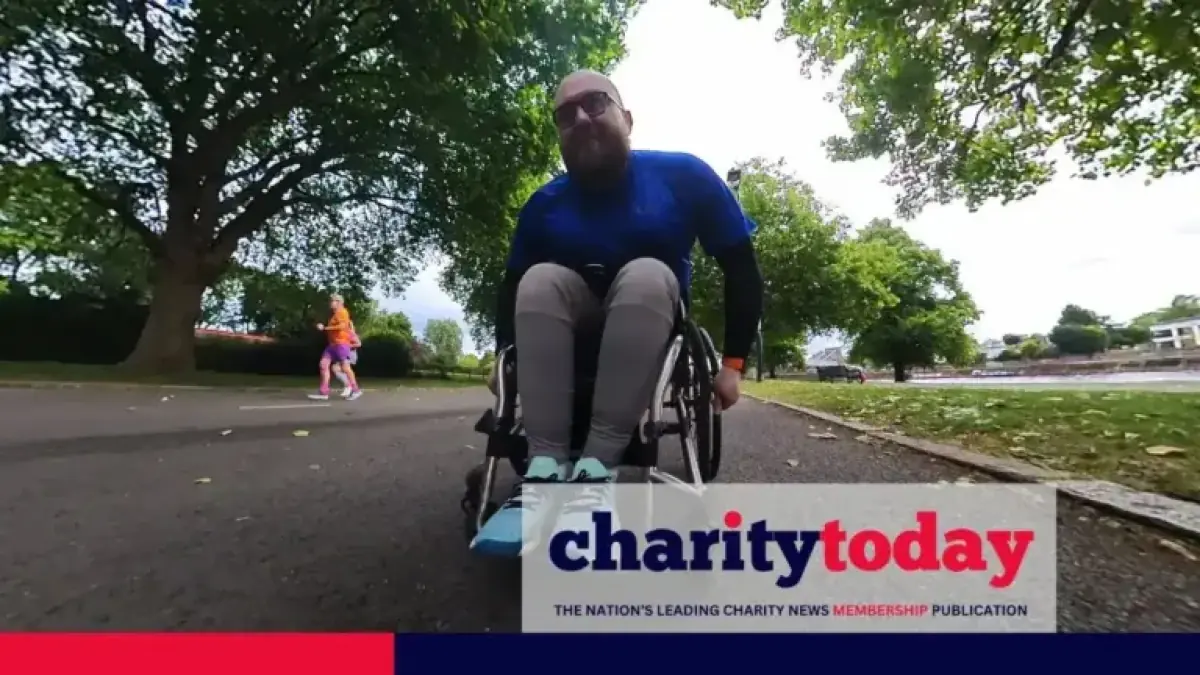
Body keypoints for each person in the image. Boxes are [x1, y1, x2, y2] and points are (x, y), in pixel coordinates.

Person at [471, 70, 763, 557]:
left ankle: (595, 473)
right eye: (566, 115)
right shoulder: (543, 205)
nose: (582, 119)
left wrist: (732, 365)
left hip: (652, 318)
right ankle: (543, 474)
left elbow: (741, 267)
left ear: (627, 118)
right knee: (538, 278)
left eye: (595, 103)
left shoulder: (684, 177)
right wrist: (504, 356)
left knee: (646, 272)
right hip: (573, 324)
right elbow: (510, 287)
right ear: (560, 136)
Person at [308, 294, 363, 401]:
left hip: (341, 344)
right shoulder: (334, 315)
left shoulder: (342, 312)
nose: (330, 303)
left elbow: (342, 326)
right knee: (323, 364)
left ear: (338, 302)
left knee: (345, 368)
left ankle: (356, 390)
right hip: (332, 345)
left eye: (332, 301)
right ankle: (324, 392)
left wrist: (325, 328)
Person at [331, 322, 363, 398]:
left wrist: (347, 345)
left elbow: (359, 344)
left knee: (344, 369)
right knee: (335, 368)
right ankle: (350, 387)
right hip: (343, 355)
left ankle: (353, 388)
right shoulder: (340, 334)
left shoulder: (350, 332)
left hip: (350, 355)